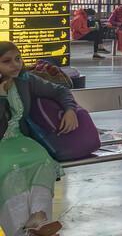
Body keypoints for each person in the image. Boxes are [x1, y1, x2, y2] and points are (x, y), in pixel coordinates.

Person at [0, 41, 80, 236]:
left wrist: (70, 110)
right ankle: (21, 231)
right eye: (7, 61)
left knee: (41, 161)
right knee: (11, 168)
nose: (15, 65)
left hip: (20, 140)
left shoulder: (25, 80)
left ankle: (39, 220)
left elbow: (60, 90)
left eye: (18, 59)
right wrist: (2, 98)